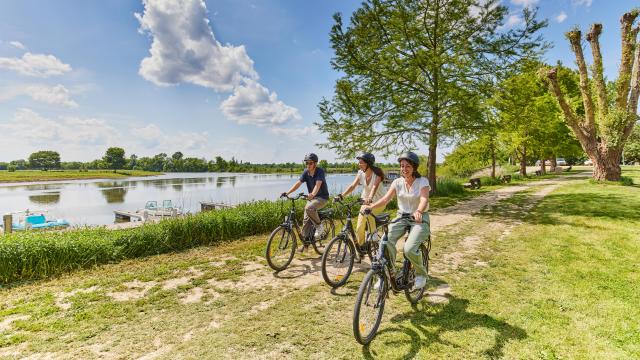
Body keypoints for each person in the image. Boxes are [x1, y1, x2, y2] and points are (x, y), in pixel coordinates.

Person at [362, 151, 430, 289]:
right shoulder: (397, 182)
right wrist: (371, 206)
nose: (404, 169)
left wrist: (418, 211)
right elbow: (386, 199)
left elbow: (424, 199)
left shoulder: (422, 181)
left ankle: (421, 275)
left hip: (419, 218)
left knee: (409, 249)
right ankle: (387, 274)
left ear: (414, 167)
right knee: (385, 242)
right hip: (402, 216)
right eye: (402, 166)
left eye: (408, 166)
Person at [335, 153, 386, 250]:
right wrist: (342, 196)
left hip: (379, 201)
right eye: (359, 162)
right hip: (366, 202)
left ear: (368, 164)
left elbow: (374, 188)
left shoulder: (377, 175)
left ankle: (373, 234)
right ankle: (361, 247)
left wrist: (370, 198)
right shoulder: (360, 173)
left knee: (368, 211)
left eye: (361, 162)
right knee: (359, 228)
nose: (359, 164)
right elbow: (352, 186)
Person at [281, 153, 330, 245]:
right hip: (312, 198)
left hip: (322, 198)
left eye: (310, 163)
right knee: (305, 221)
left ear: (315, 163)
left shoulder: (320, 171)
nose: (308, 165)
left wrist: (312, 194)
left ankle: (319, 227)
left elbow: (317, 185)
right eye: (306, 163)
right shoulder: (305, 172)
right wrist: (287, 193)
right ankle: (306, 243)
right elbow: (298, 183)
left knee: (309, 208)